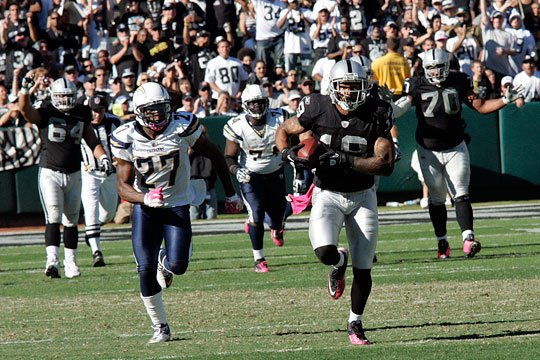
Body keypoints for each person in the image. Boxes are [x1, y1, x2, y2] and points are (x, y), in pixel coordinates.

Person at [110, 82, 243, 343]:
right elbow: (122, 186)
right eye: (151, 111)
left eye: (161, 109)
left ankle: (166, 261)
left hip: (178, 204)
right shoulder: (126, 137)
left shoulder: (181, 126)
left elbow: (215, 154)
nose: (158, 116)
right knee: (144, 269)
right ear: (138, 112)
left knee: (178, 266)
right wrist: (144, 197)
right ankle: (160, 326)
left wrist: (229, 192)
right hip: (145, 209)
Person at [275, 59, 395, 345]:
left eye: (357, 87)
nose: (352, 94)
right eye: (347, 87)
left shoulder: (377, 113)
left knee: (364, 266)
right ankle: (339, 261)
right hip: (327, 192)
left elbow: (386, 164)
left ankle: (355, 322)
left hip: (363, 196)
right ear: (333, 87)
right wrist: (285, 154)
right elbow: (284, 130)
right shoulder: (317, 106)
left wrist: (347, 159)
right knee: (324, 251)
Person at [392, 48, 525, 259]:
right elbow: (400, 109)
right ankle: (442, 242)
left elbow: (480, 106)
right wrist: (388, 107)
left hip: (455, 145)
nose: (436, 72)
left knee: (461, 193)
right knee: (436, 199)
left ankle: (468, 239)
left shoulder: (459, 80)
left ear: (448, 67)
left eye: (439, 67)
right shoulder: (416, 84)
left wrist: (505, 100)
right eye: (432, 68)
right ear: (425, 69)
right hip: (428, 150)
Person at [20, 77, 112, 279]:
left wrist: (103, 157)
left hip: (74, 172)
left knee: (71, 220)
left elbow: (91, 139)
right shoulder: (45, 110)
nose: (64, 100)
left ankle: (71, 262)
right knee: (53, 216)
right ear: (53, 96)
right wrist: (24, 92)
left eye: (68, 96)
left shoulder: (81, 112)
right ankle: (52, 261)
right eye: (60, 96)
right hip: (50, 171)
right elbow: (26, 112)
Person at [223, 84, 289, 273]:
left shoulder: (279, 118)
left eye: (261, 103)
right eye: (253, 104)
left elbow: (291, 142)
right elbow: (228, 156)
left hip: (276, 173)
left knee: (277, 216)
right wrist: (236, 170)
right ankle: (259, 259)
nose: (258, 107)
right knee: (257, 214)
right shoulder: (237, 126)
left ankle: (276, 227)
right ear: (245, 105)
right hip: (251, 177)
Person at [80, 95, 122, 267]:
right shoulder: (81, 122)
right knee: (90, 211)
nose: (96, 114)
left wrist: (120, 159)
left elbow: (124, 144)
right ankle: (97, 252)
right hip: (89, 173)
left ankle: (91, 233)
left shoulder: (115, 122)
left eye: (100, 110)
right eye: (94, 110)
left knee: (107, 214)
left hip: (110, 174)